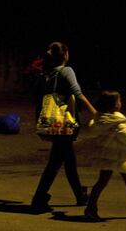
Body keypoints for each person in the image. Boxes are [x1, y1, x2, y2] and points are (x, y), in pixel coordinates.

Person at [31, 41, 97, 213]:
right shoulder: (66, 71)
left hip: (54, 123)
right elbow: (77, 93)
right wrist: (94, 111)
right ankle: (38, 198)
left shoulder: (47, 74)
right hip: (64, 124)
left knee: (68, 161)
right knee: (55, 163)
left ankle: (80, 196)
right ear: (65, 55)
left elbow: (40, 100)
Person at [84, 90, 126, 221]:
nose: (121, 103)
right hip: (119, 156)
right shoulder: (118, 122)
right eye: (119, 101)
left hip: (106, 155)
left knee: (102, 181)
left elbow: (92, 129)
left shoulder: (100, 120)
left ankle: (91, 207)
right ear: (114, 105)